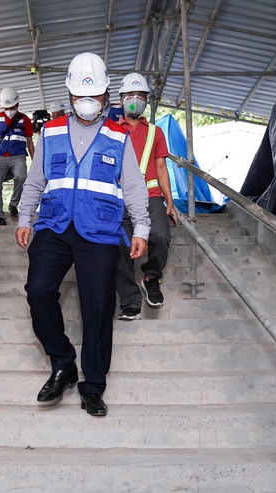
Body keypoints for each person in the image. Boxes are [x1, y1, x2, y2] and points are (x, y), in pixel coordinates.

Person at [16, 53, 150, 417]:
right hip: (55, 225)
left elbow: (135, 186)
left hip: (101, 230)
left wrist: (141, 227)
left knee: (97, 308)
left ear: (108, 96)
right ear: (70, 95)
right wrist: (24, 217)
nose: (86, 103)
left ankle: (93, 385)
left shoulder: (119, 135)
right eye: (78, 97)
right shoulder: (51, 130)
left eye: (93, 96)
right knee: (38, 290)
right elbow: (35, 179)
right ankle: (62, 362)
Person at [115, 73, 179, 321]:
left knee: (161, 235)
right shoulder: (111, 131)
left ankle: (151, 278)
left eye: (140, 96)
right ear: (121, 99)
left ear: (147, 101)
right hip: (120, 198)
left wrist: (169, 200)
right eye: (130, 95)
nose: (135, 100)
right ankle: (130, 301)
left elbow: (161, 167)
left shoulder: (155, 132)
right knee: (119, 245)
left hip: (151, 197)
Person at [0, 87, 34, 225]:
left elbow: (30, 142)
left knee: (22, 176)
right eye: (6, 107)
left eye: (11, 107)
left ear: (17, 104)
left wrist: (35, 161)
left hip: (18, 156)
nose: (9, 110)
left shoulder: (25, 120)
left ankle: (13, 204)